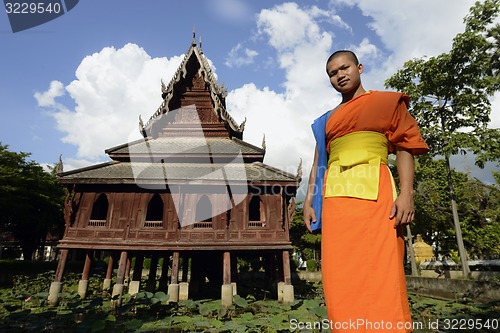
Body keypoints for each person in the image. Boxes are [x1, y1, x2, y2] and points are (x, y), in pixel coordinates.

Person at [303, 50, 429, 332]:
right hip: (336, 201)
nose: (340, 75)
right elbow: (317, 163)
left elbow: (406, 146)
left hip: (376, 196)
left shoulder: (385, 102)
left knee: (382, 269)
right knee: (339, 273)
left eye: (344, 68)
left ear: (359, 67)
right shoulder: (327, 120)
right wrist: (309, 200)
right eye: (333, 74)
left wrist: (406, 193)